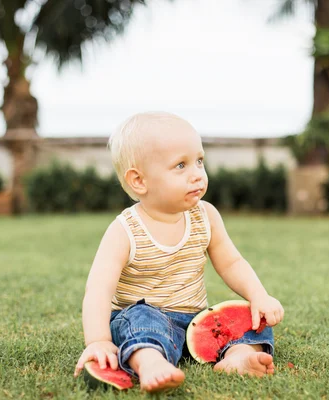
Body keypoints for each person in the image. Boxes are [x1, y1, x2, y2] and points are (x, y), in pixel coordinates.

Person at [73, 112, 284, 392]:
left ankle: (238, 357)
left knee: (250, 316)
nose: (197, 173)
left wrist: (258, 295)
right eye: (181, 165)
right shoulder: (125, 230)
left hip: (196, 319)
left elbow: (232, 262)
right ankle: (150, 362)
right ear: (139, 181)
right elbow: (99, 290)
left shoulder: (205, 216)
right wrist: (98, 340)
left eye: (199, 161)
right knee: (137, 319)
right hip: (148, 319)